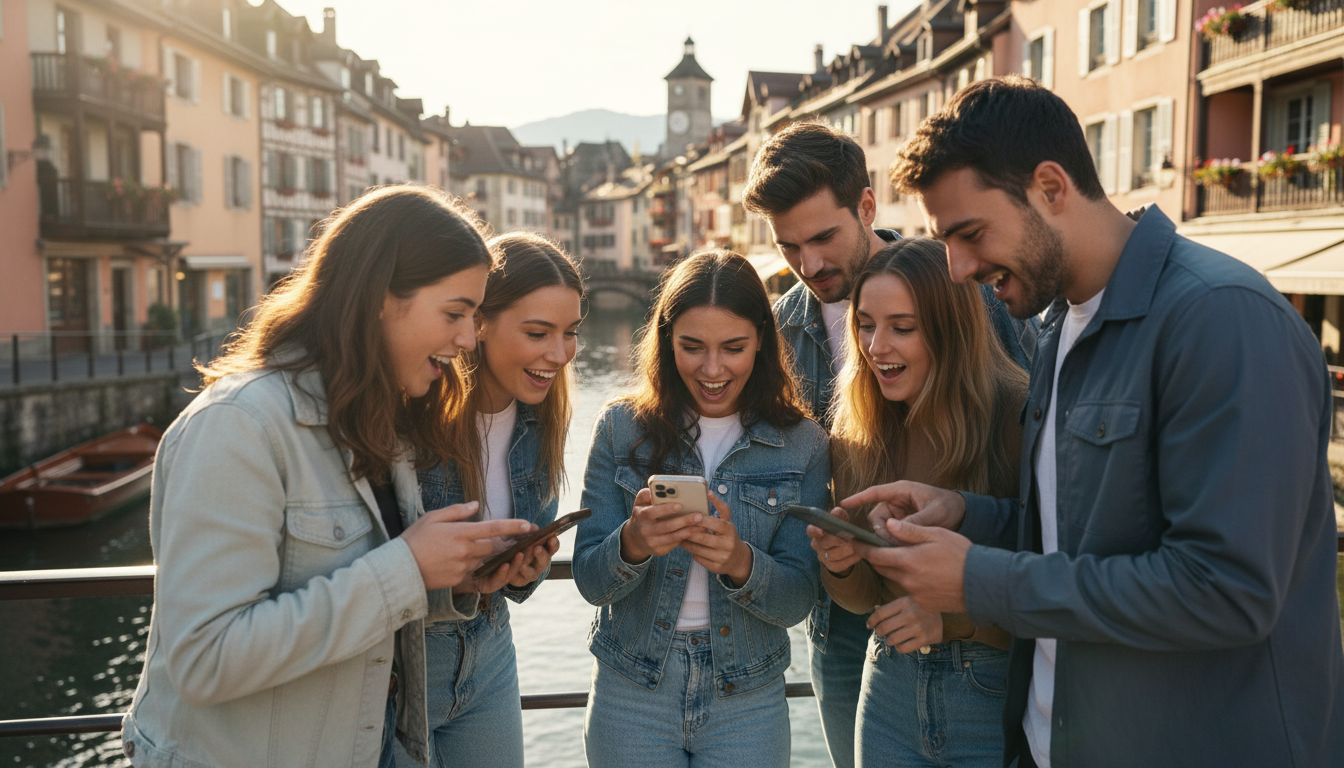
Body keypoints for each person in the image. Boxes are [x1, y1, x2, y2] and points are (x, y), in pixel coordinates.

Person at [846, 75, 1344, 767]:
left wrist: (979, 580)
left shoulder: (1223, 318)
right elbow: (1082, 535)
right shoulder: (1059, 326)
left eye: (970, 234)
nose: (956, 269)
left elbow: (1227, 592)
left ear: (1051, 186)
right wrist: (965, 515)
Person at [119, 187, 536, 768]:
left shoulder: (373, 418)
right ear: (379, 299)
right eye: (454, 313)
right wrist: (408, 568)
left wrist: (450, 581)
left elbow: (351, 594)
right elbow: (206, 658)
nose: (469, 340)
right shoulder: (238, 426)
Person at [741, 120, 1036, 768]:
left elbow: (1028, 487)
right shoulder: (780, 329)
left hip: (979, 628)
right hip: (848, 623)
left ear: (867, 207)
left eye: (823, 237)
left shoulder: (964, 292)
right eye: (789, 247)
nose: (810, 264)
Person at [572, 250, 827, 768]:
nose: (712, 370)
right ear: (666, 340)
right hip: (632, 688)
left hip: (748, 696)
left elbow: (799, 600)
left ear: (762, 338)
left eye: (733, 348)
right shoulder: (620, 428)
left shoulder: (805, 444)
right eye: (692, 347)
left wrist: (739, 561)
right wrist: (633, 544)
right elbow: (590, 581)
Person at [807, 238, 1026, 767]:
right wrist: (839, 565)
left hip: (991, 694)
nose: (875, 347)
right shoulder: (856, 421)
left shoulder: (1017, 411)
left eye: (901, 328)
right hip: (887, 689)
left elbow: (1055, 584)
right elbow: (864, 601)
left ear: (949, 331)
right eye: (864, 325)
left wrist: (951, 621)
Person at [384, 232, 585, 767]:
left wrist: (526, 569)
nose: (559, 354)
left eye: (570, 333)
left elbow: (526, 559)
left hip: (490, 652)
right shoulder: (410, 412)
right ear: (478, 324)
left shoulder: (541, 418)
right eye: (539, 332)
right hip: (404, 665)